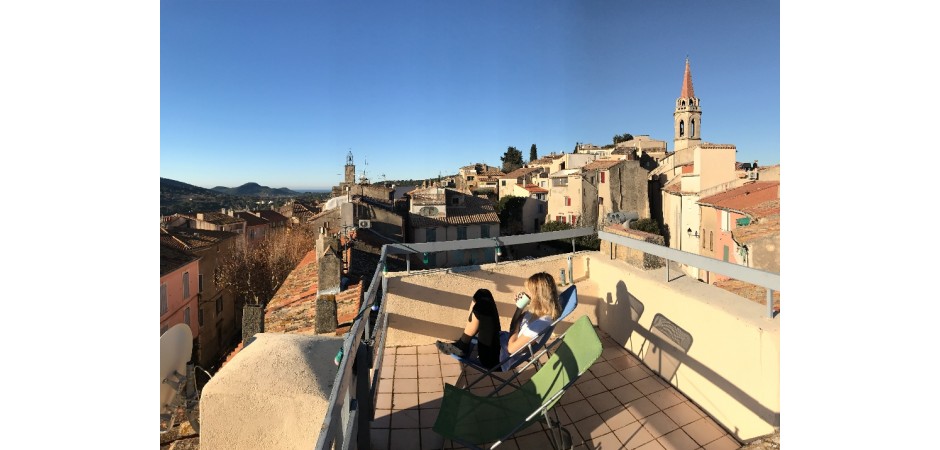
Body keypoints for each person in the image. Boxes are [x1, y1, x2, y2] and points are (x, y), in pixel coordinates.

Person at [435, 272, 562, 371]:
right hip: (499, 343)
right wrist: (519, 308)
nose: (527, 294)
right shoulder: (535, 312)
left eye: (530, 292)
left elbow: (512, 349)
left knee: (483, 307)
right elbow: (513, 327)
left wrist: (516, 327)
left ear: (539, 295)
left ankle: (462, 346)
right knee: (483, 294)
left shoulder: (541, 323)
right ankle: (463, 344)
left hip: (496, 359)